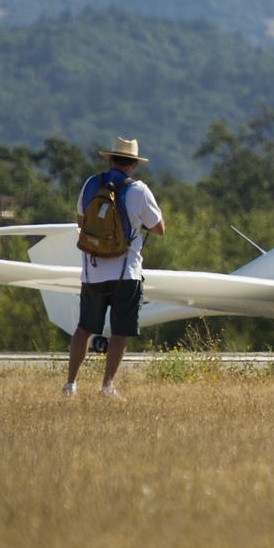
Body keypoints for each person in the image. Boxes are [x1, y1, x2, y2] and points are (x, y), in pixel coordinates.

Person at [64, 137, 165, 399]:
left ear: (110, 159)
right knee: (120, 332)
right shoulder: (139, 191)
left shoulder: (90, 184)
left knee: (84, 328)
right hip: (126, 273)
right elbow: (159, 229)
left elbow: (80, 221)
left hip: (93, 270)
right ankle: (107, 386)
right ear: (133, 164)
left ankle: (70, 385)